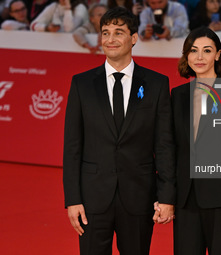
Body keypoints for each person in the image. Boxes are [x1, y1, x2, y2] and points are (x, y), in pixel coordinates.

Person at [63, 7, 176, 255]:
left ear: (133, 38)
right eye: (105, 33)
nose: (110, 39)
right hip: (92, 198)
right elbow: (72, 146)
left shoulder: (157, 84)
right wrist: (72, 200)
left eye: (118, 32)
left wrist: (167, 197)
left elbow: (164, 145)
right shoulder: (81, 84)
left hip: (139, 197)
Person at [169, 27, 221, 254]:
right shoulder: (177, 96)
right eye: (193, 51)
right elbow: (172, 149)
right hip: (185, 200)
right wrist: (166, 196)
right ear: (186, 55)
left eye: (207, 50)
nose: (199, 57)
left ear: (217, 54)